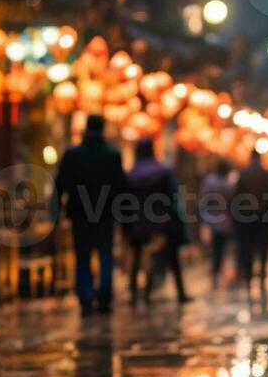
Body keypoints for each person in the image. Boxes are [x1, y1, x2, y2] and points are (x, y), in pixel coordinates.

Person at [55, 114, 126, 317]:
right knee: (105, 256)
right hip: (105, 214)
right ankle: (104, 297)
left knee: (82, 257)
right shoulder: (112, 156)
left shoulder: (72, 154)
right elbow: (121, 187)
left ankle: (85, 297)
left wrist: (56, 210)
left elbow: (60, 184)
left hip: (80, 214)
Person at [126, 137, 192, 305]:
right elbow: (173, 196)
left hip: (138, 223)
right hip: (162, 223)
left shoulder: (131, 174)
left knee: (138, 258)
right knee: (171, 257)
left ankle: (134, 294)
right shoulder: (163, 172)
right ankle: (179, 292)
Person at [233, 156, 268, 286]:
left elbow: (237, 195)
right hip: (263, 216)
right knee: (263, 245)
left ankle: (248, 273)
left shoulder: (243, 173)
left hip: (247, 216)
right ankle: (262, 272)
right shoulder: (266, 174)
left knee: (248, 245)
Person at [200, 159, 236, 288]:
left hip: (211, 219)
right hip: (225, 220)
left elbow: (204, 199)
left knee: (215, 248)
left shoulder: (209, 181)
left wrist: (203, 218)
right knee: (221, 248)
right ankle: (217, 269)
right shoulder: (229, 183)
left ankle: (215, 270)